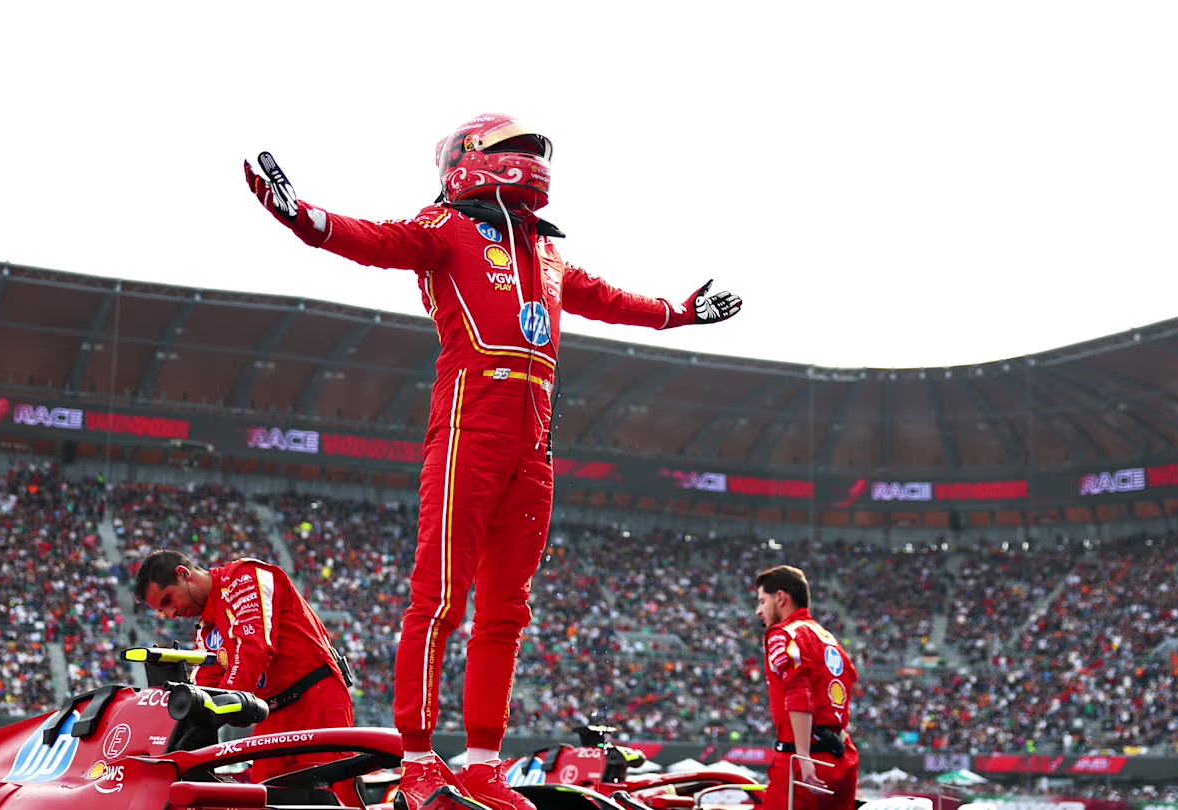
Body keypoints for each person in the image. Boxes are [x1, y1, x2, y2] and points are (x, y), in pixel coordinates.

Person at [243, 114, 743, 810]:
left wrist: (679, 312)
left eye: (530, 151)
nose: (527, 159)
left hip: (534, 437)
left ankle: (483, 766)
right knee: (440, 598)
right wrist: (302, 216)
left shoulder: (549, 253)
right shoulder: (444, 226)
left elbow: (611, 300)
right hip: (471, 419)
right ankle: (418, 761)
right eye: (513, 149)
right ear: (466, 160)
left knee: (507, 610)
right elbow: (377, 242)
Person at [134, 549, 354, 783]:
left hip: (314, 699)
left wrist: (223, 703)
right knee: (264, 799)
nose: (170, 614)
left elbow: (254, 647)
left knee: (339, 796)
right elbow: (204, 685)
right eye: (161, 610)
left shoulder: (244, 577)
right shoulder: (208, 628)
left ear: (183, 574)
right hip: (271, 716)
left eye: (168, 601)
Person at [755, 565, 859, 810]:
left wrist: (802, 756)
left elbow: (798, 690)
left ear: (780, 598)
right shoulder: (830, 639)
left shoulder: (782, 634)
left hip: (804, 759)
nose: (759, 610)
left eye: (762, 601)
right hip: (843, 756)